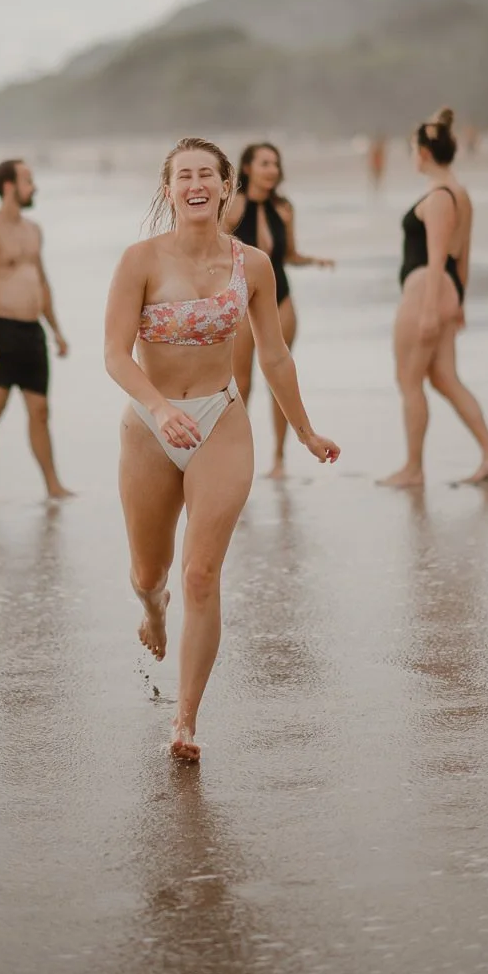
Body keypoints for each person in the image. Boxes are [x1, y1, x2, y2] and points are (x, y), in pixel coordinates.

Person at [104, 137, 340, 762]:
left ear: (225, 186)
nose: (195, 184)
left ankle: (184, 721)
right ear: (168, 190)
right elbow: (114, 355)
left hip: (221, 420)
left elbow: (275, 355)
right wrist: (158, 407)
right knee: (150, 574)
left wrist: (307, 431)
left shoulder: (252, 265)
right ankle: (153, 610)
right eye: (183, 175)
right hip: (151, 428)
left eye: (206, 173)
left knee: (202, 574)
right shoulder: (139, 261)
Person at [378, 108, 488, 488]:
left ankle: (413, 468)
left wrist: (432, 309)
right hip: (447, 290)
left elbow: (437, 257)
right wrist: (458, 301)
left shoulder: (438, 197)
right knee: (446, 378)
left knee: (409, 380)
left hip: (425, 292)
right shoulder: (461, 194)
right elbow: (461, 256)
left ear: (423, 154)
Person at [0, 158, 71, 508]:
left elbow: (42, 281)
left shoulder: (33, 230)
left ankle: (53, 486)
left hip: (32, 332)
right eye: (28, 180)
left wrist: (56, 330)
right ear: (9, 186)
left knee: (40, 411)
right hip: (2, 329)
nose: (34, 186)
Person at [225, 142, 334, 478]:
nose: (271, 169)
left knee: (281, 380)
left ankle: (278, 459)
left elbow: (287, 254)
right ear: (247, 168)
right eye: (264, 163)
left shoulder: (284, 208)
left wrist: (313, 260)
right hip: (241, 299)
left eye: (275, 163)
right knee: (241, 384)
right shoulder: (233, 206)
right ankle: (234, 457)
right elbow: (215, 249)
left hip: (280, 296)